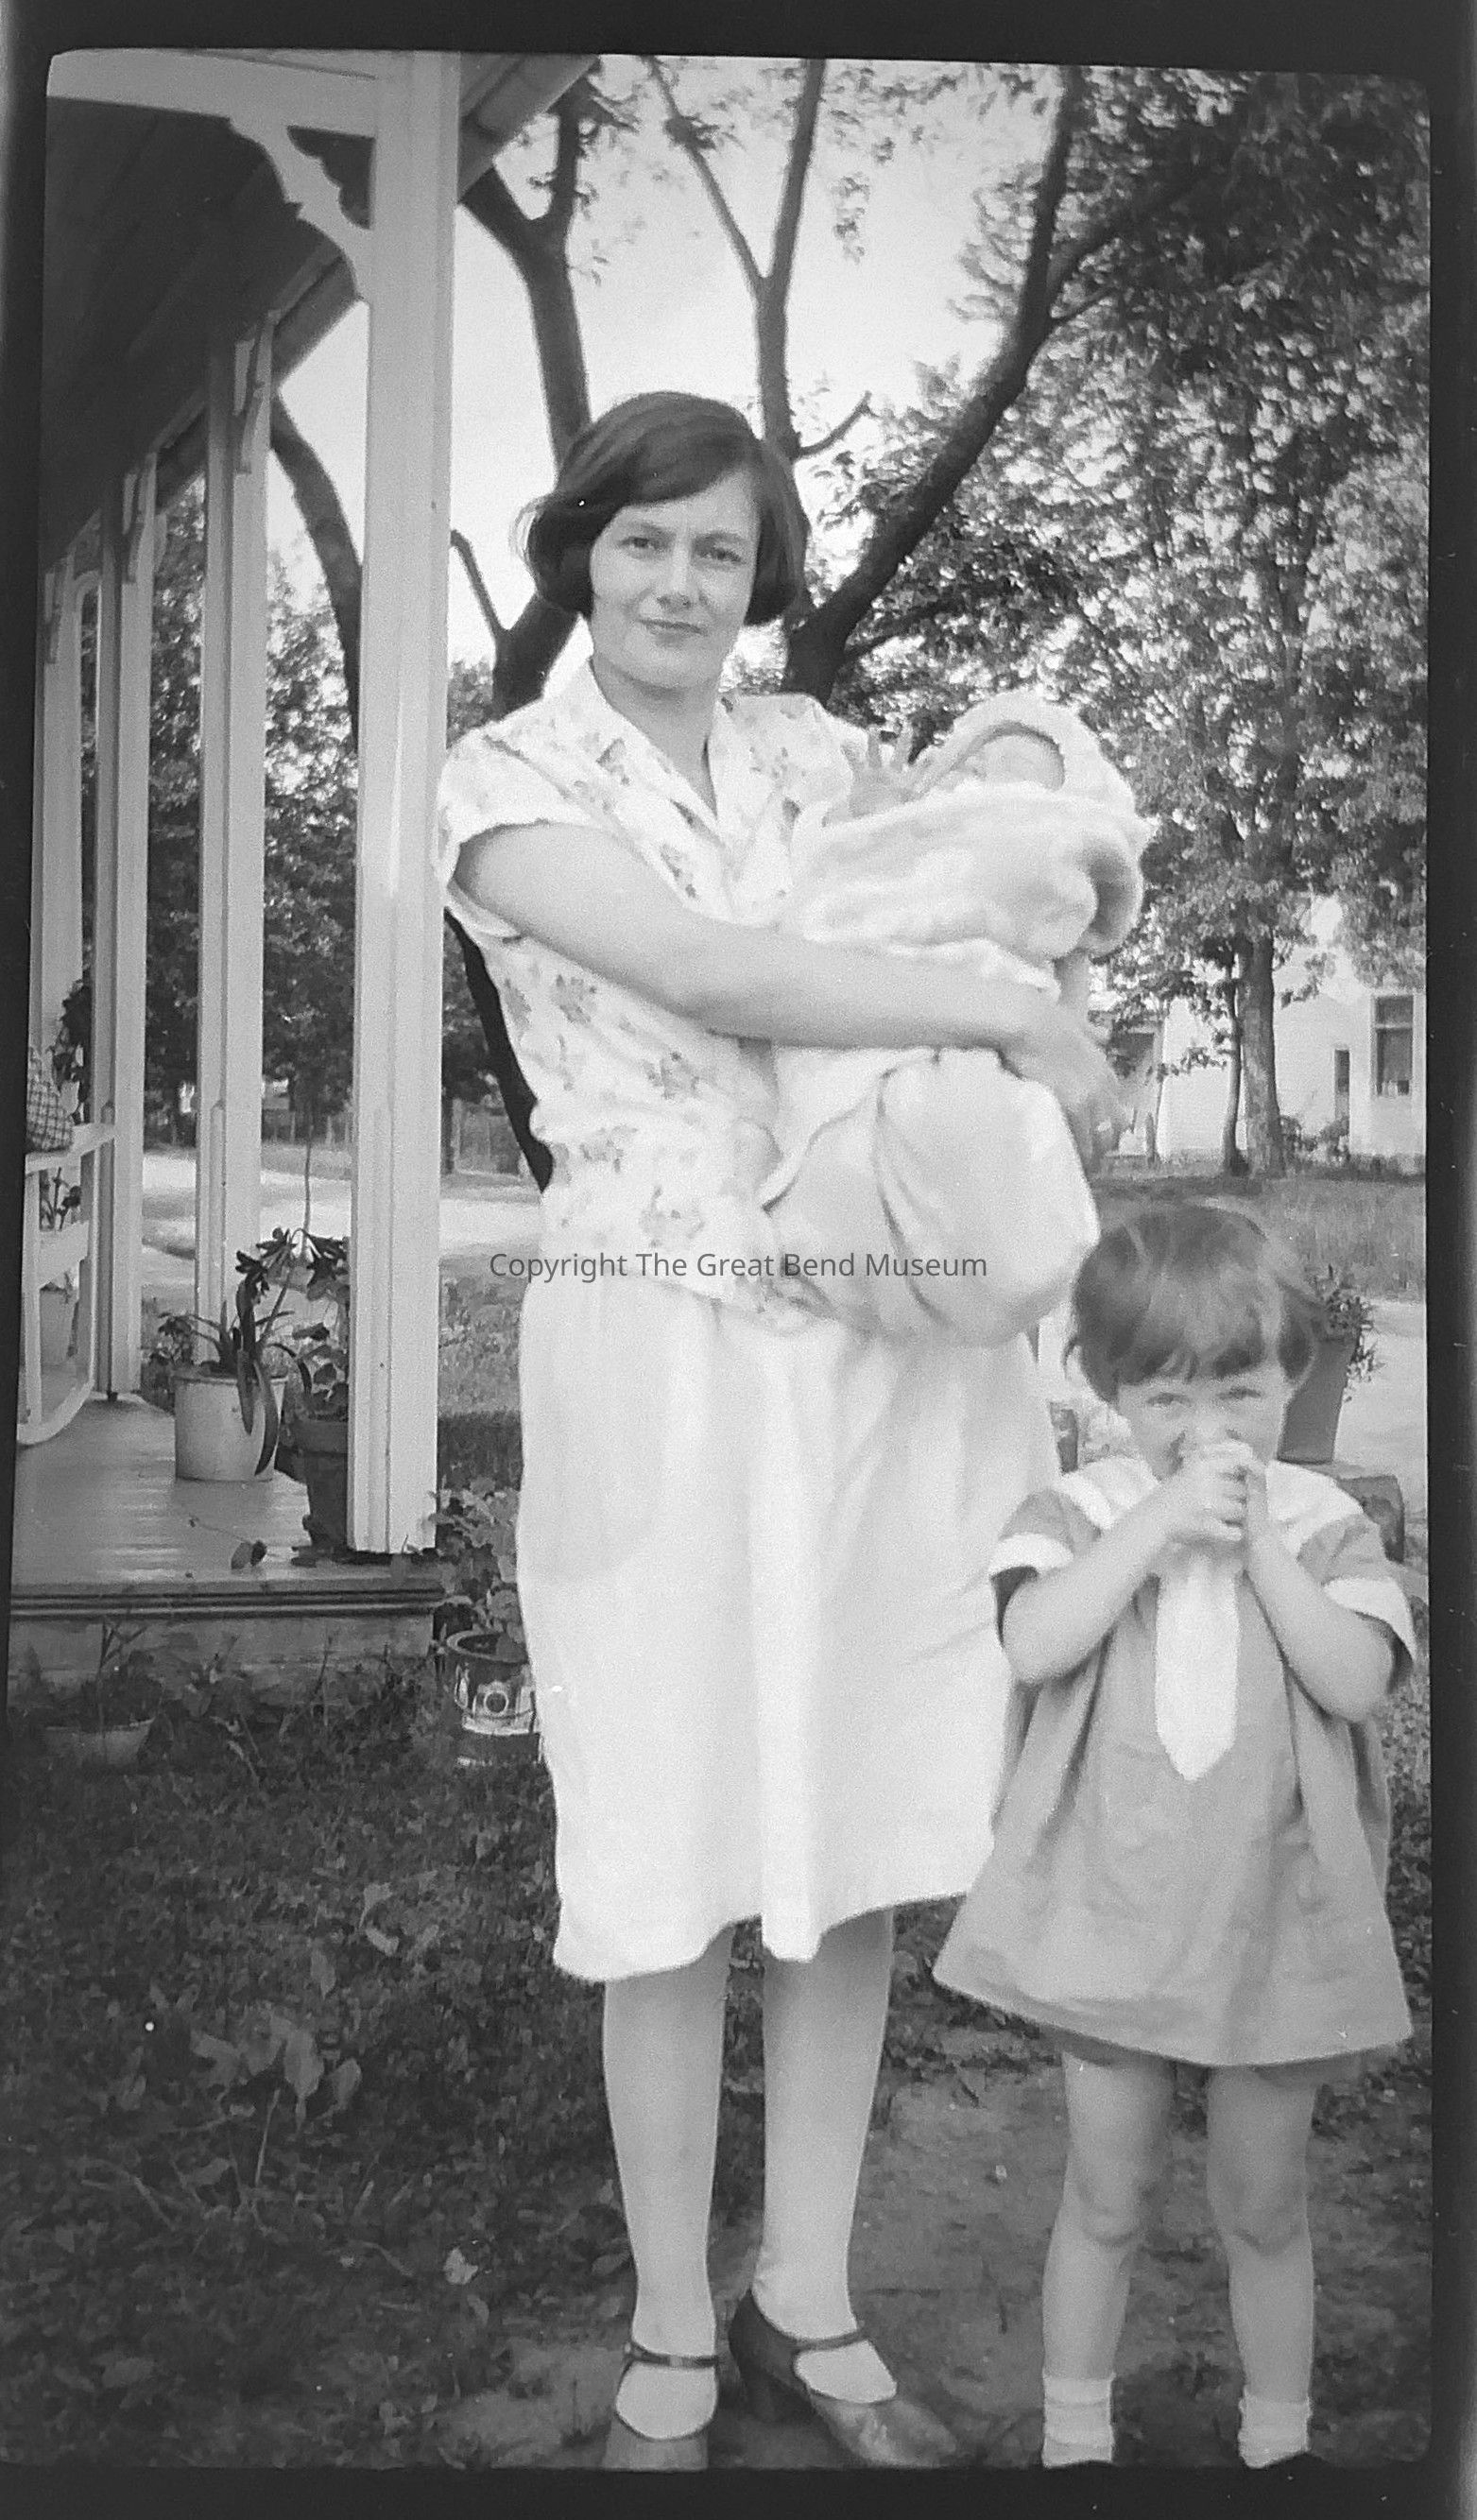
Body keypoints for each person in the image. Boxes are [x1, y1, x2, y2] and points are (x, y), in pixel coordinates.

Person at [437, 389, 1126, 2471]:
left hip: (882, 1316)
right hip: (658, 1323)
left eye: (718, 552)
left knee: (851, 1818)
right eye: (642, 541)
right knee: (666, 1817)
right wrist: (1005, 1015)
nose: (677, 584)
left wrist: (1040, 928)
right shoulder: (506, 776)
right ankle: (669, 2319)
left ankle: (804, 2297)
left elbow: (987, 871)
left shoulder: (821, 757)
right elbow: (711, 970)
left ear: (761, 579)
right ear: (582, 551)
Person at [934, 1203, 1416, 2475]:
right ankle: (1074, 2444)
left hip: (1275, 1918)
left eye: (1239, 1392)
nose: (1206, 1428)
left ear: (1294, 1374)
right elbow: (1033, 1643)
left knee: (1265, 2202)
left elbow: (1354, 1679)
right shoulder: (1078, 1508)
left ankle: (1277, 2444)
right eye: (1166, 1398)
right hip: (1115, 1910)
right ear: (1107, 1392)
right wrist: (1155, 1524)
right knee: (1105, 2193)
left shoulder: (1324, 1522)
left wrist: (1257, 1543)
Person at [762, 691, 1152, 1344]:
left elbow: (1066, 949)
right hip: (869, 993)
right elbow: (831, 867)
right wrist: (865, 816)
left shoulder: (1040, 839)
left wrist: (1058, 1023)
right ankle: (838, 1257)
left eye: (1015, 769)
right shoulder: (909, 819)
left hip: (984, 1024)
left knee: (974, 1141)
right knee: (849, 1146)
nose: (981, 777)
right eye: (975, 760)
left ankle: (1017, 1264)